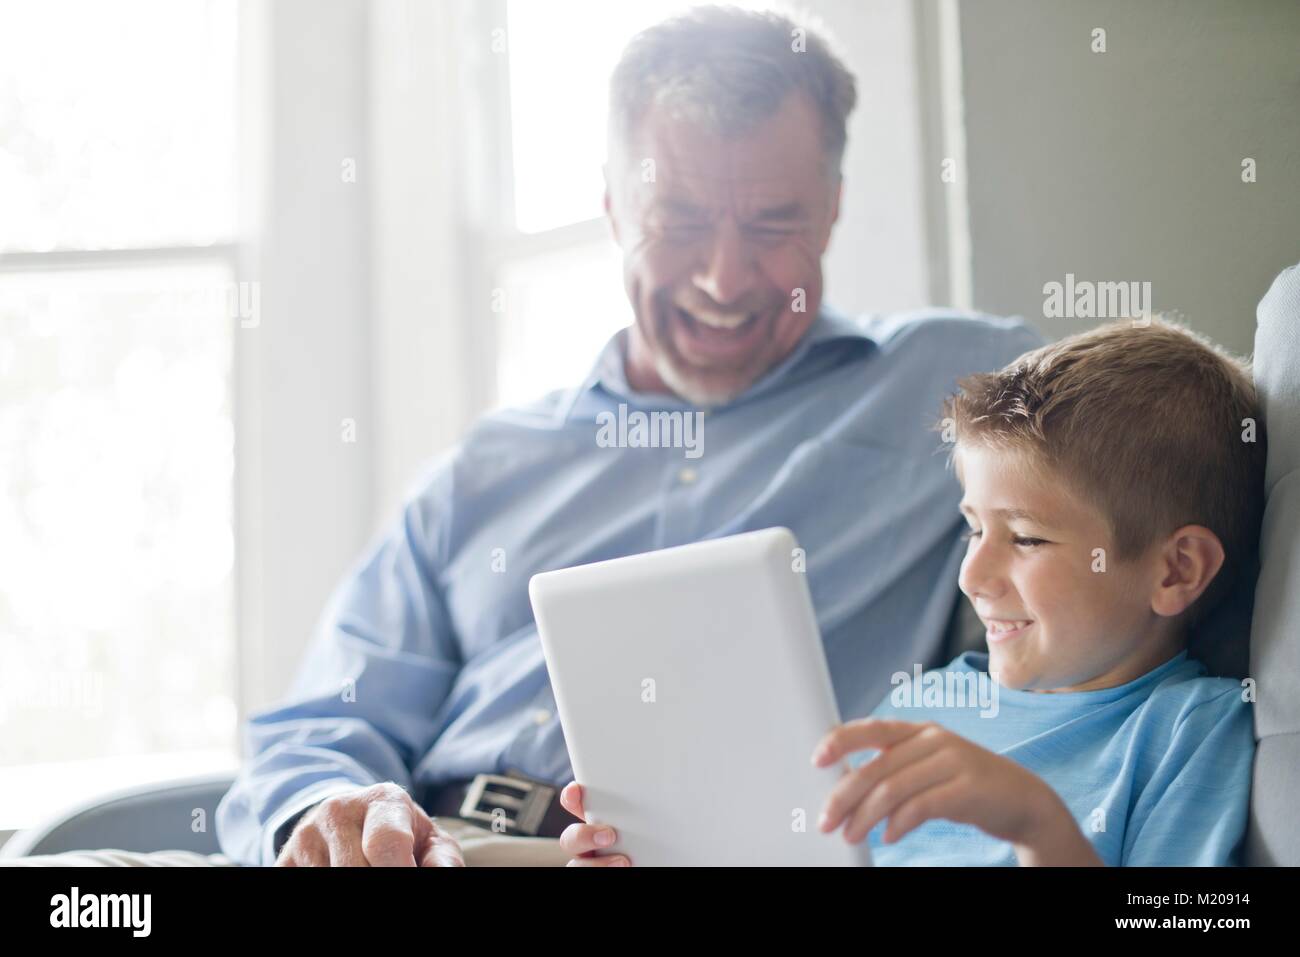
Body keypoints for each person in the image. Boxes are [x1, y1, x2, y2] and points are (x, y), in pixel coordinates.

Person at [2, 5, 1038, 868]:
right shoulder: (490, 466)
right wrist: (327, 809)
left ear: (834, 210)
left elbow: (1173, 446)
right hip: (428, 846)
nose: (725, 279)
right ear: (609, 204)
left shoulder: (956, 389)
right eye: (677, 220)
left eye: (772, 225)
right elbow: (322, 718)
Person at [561, 318, 1265, 866]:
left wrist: (1037, 824)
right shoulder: (925, 707)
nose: (973, 575)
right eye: (972, 529)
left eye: (1024, 537)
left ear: (1175, 570)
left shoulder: (1186, 729)